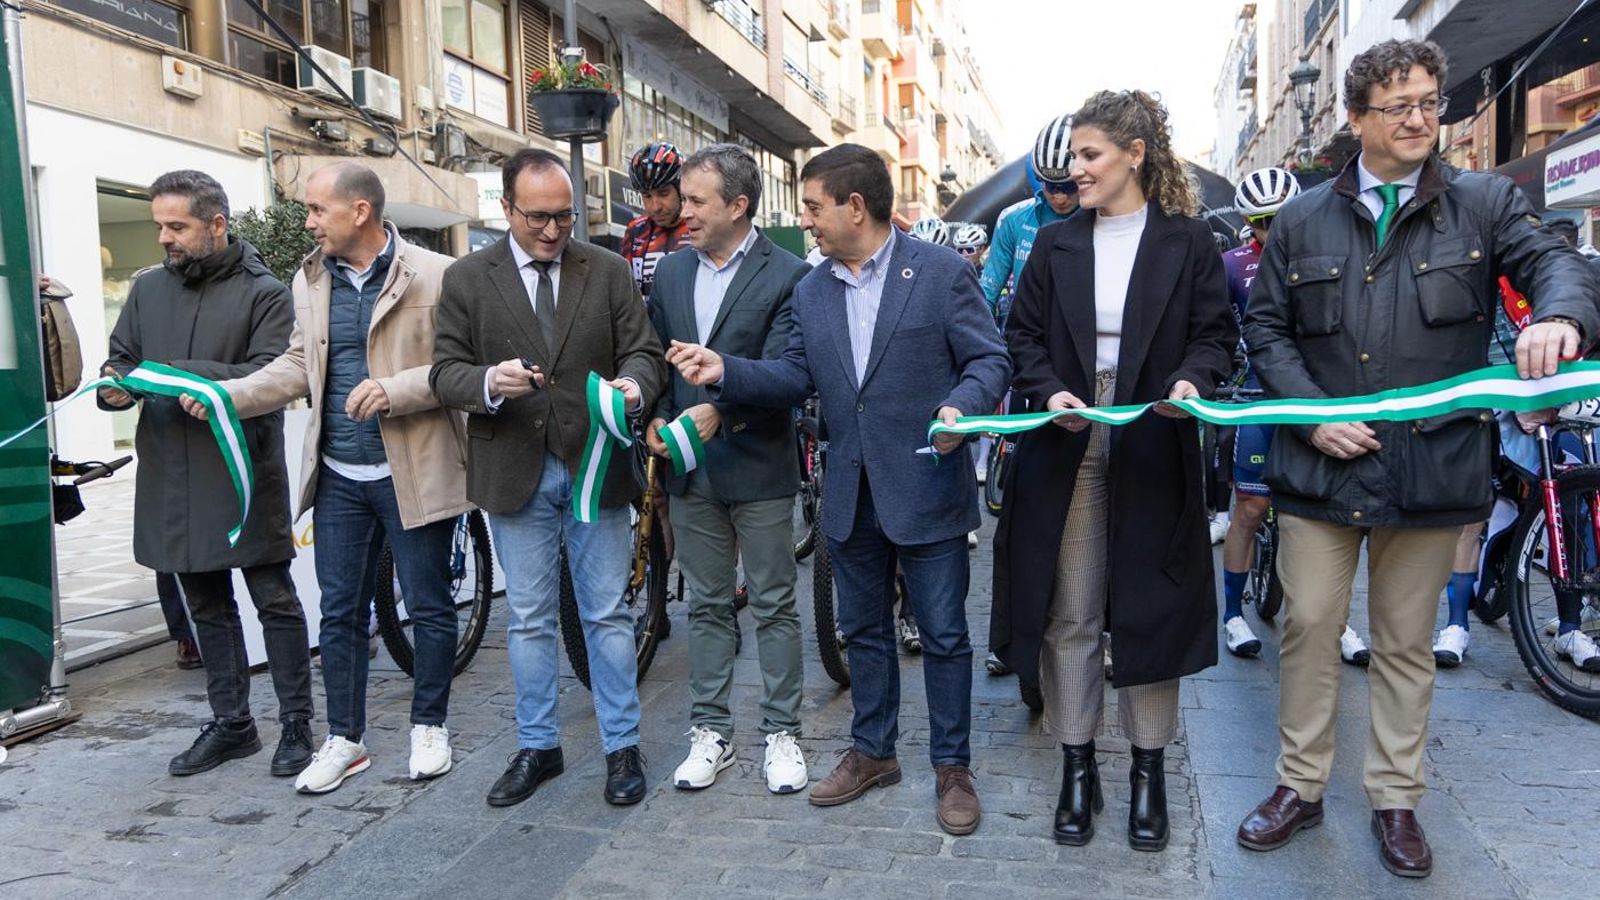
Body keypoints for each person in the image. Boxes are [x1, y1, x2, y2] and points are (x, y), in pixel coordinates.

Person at [1235, 39, 1599, 879]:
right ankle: (1299, 785)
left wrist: (1560, 317)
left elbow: (1557, 263)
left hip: (1432, 468)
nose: (1418, 119)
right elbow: (1267, 329)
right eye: (1398, 105)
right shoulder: (1301, 219)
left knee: (1405, 641)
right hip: (1322, 468)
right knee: (1310, 625)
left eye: (1430, 102)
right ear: (1355, 117)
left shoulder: (1484, 203)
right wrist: (1314, 418)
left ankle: (1395, 800)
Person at [666, 143, 1010, 836]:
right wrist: (724, 370)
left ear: (856, 207)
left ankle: (953, 768)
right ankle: (874, 752)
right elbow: (795, 375)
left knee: (944, 636)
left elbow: (988, 359)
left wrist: (961, 408)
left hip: (926, 482)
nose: (806, 221)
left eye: (814, 208)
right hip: (850, 493)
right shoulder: (812, 288)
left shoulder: (940, 272)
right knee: (866, 632)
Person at [992, 90, 1237, 853]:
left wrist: (1192, 380)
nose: (1077, 169)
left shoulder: (1188, 242)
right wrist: (1047, 390)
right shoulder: (1054, 244)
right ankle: (1077, 766)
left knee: (1148, 611)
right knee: (1070, 612)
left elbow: (1216, 335)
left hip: (1154, 437)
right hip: (1068, 441)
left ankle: (1148, 772)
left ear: (1135, 154)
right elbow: (1022, 336)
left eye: (1090, 154)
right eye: (1074, 156)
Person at [183, 162, 468, 794]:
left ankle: (430, 726)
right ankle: (345, 738)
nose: (308, 222)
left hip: (414, 470)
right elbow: (296, 365)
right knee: (339, 612)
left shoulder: (436, 274)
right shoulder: (309, 277)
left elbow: (459, 367)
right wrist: (230, 396)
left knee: (429, 605)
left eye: (317, 209)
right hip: (339, 474)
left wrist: (394, 390)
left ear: (359, 211)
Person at [430, 148, 666, 808]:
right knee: (529, 618)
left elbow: (643, 352)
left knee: (607, 614)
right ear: (506, 208)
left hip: (596, 469)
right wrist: (488, 382)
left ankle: (622, 746)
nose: (554, 230)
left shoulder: (607, 270)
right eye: (538, 217)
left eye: (565, 216)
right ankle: (538, 746)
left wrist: (633, 386)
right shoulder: (468, 278)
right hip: (514, 471)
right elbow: (444, 371)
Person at [98, 169, 314, 779]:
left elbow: (273, 373)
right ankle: (232, 725)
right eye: (159, 226)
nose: (163, 238)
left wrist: (180, 373)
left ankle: (297, 724)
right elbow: (122, 357)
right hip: (172, 470)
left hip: (241, 470)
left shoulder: (266, 293)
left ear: (217, 224)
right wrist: (116, 387)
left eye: (177, 226)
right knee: (205, 605)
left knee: (274, 599)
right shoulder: (147, 289)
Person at [640, 144, 811, 794]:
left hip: (758, 465)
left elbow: (791, 374)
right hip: (690, 470)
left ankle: (782, 733)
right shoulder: (672, 273)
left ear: (738, 205)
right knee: (707, 606)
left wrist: (722, 407)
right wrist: (654, 416)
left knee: (773, 605)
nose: (682, 212)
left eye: (696, 201)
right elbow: (654, 357)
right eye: (682, 199)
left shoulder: (789, 274)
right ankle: (711, 733)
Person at [1217, 167, 1371, 666]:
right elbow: (1215, 330)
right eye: (1260, 222)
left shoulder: (1336, 250)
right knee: (1250, 509)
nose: (1272, 228)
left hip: (1320, 403)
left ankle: (1339, 621)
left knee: (1334, 518)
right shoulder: (1232, 265)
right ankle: (1232, 614)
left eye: (1279, 217)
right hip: (1259, 399)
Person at [980, 114, 1080, 326]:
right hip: (1027, 333)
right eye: (1051, 186)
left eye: (1069, 187)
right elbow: (987, 294)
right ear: (1038, 179)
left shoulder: (1102, 215)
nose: (1060, 197)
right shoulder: (1012, 219)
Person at [621, 141, 692, 304]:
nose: (655, 207)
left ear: (681, 189)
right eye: (647, 196)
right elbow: (625, 294)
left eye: (663, 193)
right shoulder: (635, 231)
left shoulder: (699, 227)